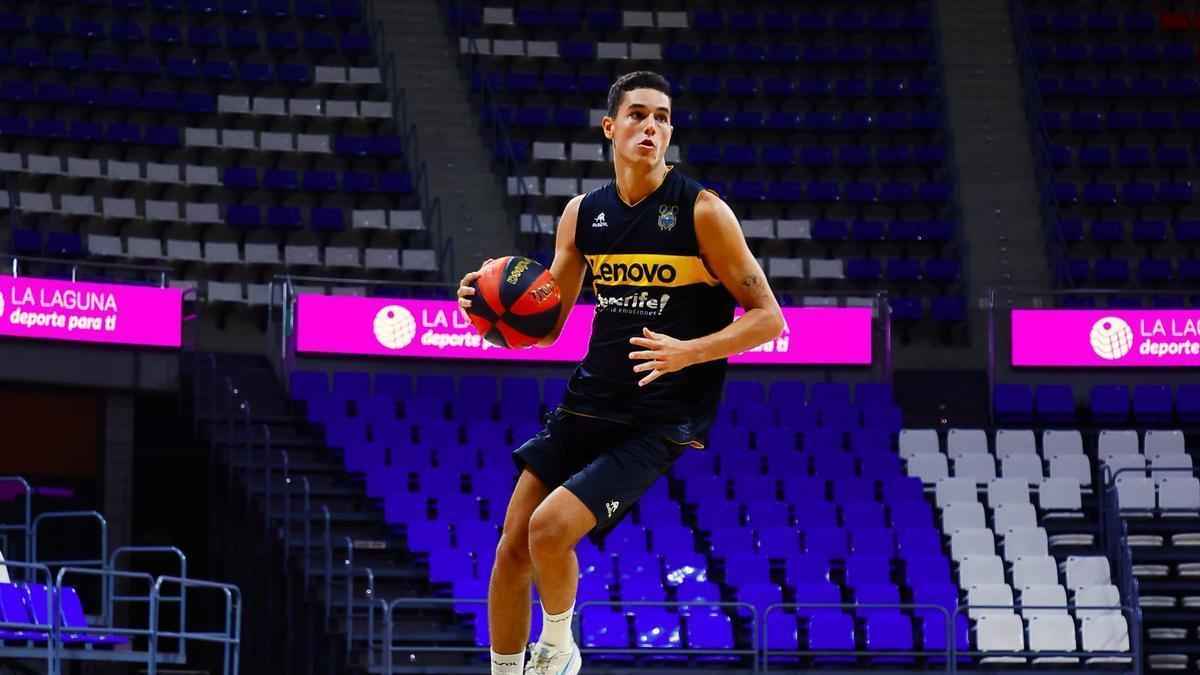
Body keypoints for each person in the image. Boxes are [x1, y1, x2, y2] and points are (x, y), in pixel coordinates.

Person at [458, 71, 785, 675]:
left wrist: (689, 351)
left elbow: (769, 319)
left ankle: (558, 648)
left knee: (550, 529)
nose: (652, 127)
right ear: (611, 127)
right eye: (638, 114)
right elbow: (548, 325)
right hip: (587, 402)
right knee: (510, 548)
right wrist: (486, 306)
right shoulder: (583, 215)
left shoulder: (703, 211)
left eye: (662, 118)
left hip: (657, 418)